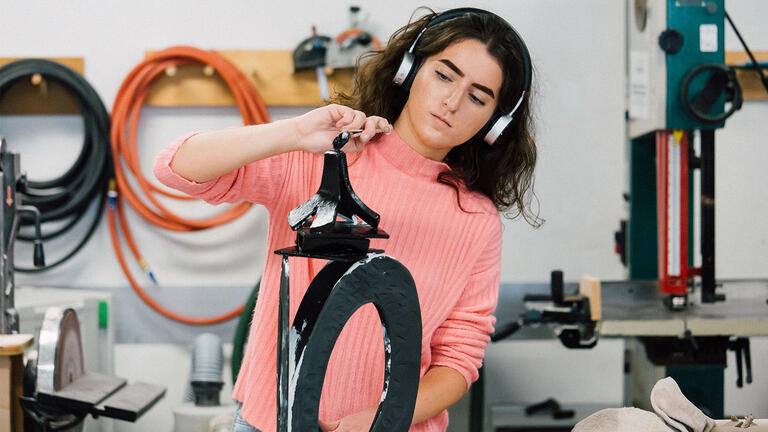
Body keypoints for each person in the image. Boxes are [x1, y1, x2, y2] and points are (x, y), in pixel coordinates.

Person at [154, 7, 539, 432]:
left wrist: (377, 420)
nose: (452, 102)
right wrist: (294, 134)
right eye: (444, 75)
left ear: (495, 122)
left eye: (478, 97)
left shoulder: (477, 220)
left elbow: (458, 361)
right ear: (409, 70)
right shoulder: (324, 157)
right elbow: (174, 167)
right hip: (270, 423)